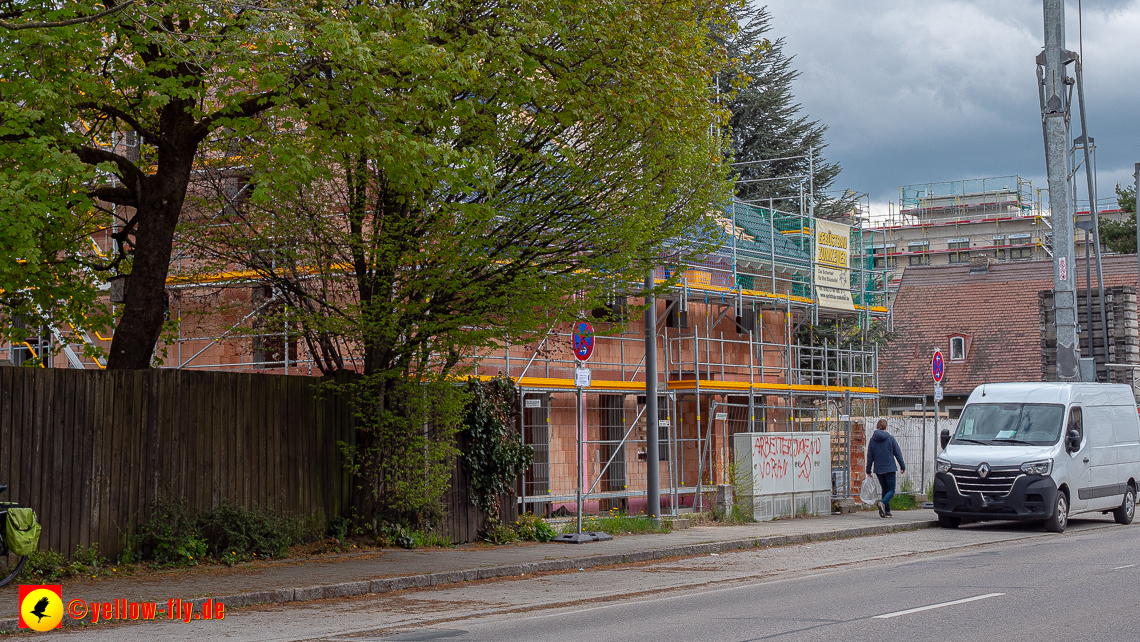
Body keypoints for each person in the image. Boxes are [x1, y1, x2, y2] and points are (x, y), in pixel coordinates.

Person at [866, 418, 906, 518]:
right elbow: (898, 453)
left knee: (884, 489)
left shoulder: (872, 440)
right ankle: (883, 503)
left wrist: (868, 470)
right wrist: (902, 466)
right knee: (891, 490)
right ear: (886, 427)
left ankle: (887, 511)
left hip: (878, 469)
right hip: (890, 468)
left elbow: (870, 456)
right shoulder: (890, 438)